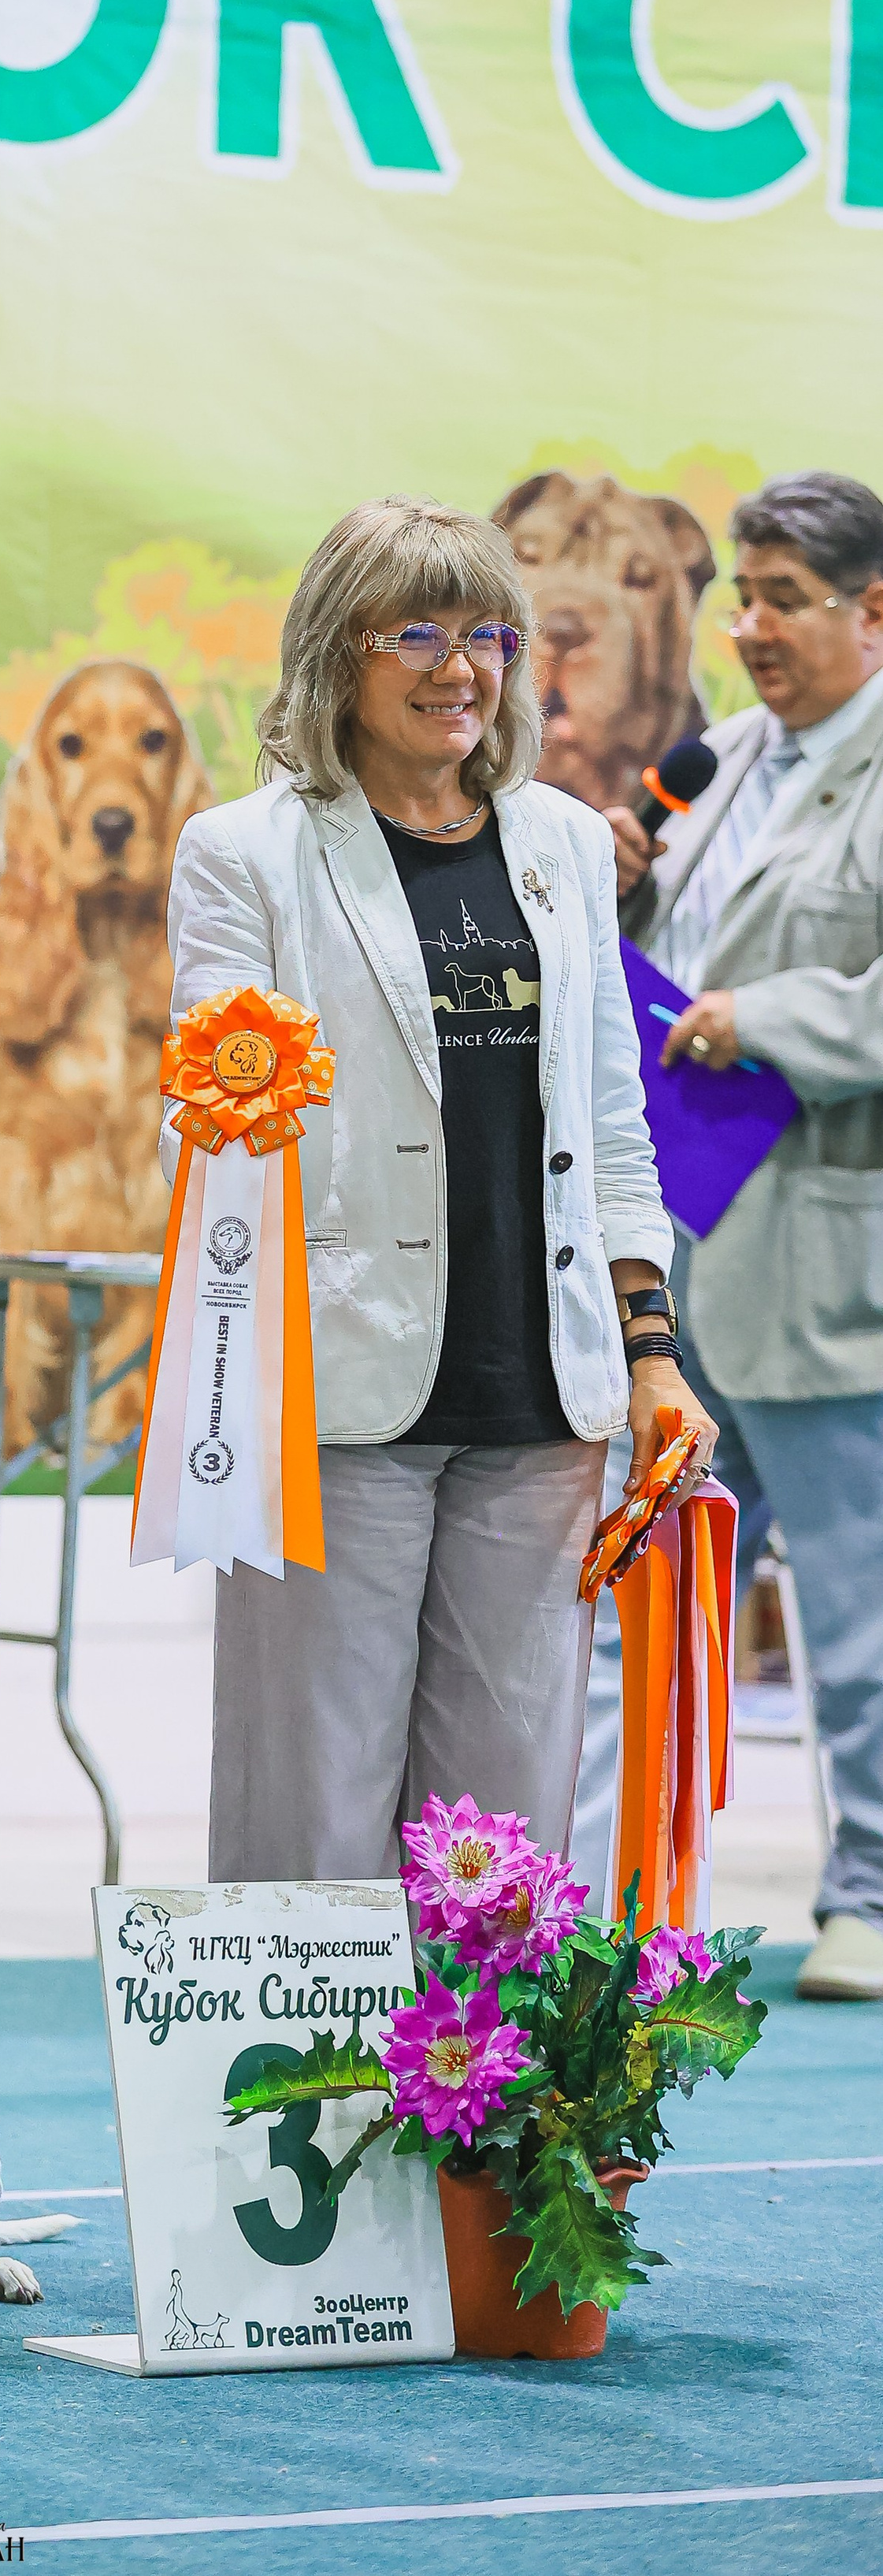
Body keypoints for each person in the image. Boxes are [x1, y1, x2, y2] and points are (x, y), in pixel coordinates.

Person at [165, 497, 717, 1880]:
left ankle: (485, 2102)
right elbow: (215, 1133)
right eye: (413, 630)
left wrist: (652, 1354)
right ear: (334, 655)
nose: (457, 666)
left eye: (486, 633)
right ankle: (312, 2105)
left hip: (545, 1408)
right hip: (336, 1399)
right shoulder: (245, 853)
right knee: (315, 1818)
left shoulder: (569, 846)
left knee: (504, 1841)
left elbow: (612, 1123)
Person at [594, 470, 883, 1998]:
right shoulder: (719, 761)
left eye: (782, 599)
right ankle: (615, 1892)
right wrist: (625, 899)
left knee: (853, 1599)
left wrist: (751, 1019)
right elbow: (670, 956)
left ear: (874, 610)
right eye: (741, 597)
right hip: (674, 1239)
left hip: (825, 1243)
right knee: (641, 1580)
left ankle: (869, 1900)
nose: (751, 628)